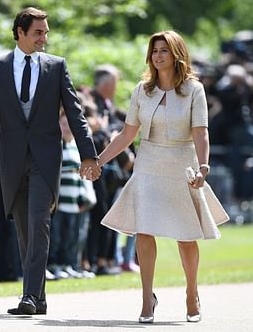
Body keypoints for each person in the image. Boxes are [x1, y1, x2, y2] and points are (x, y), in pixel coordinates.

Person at [0, 7, 100, 315]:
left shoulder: (56, 66)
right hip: (12, 159)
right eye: (38, 32)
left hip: (46, 158)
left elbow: (75, 112)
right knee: (25, 229)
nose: (44, 38)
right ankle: (38, 297)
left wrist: (89, 154)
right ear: (20, 32)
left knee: (39, 221)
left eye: (46, 32)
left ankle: (28, 296)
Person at [97, 31, 229, 323]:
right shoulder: (141, 90)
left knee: (186, 236)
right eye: (155, 50)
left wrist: (203, 167)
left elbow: (201, 132)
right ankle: (147, 298)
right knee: (143, 230)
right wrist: (99, 160)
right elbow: (127, 134)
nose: (158, 56)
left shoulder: (194, 90)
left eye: (164, 51)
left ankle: (191, 293)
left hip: (183, 163)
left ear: (177, 55)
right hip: (148, 164)